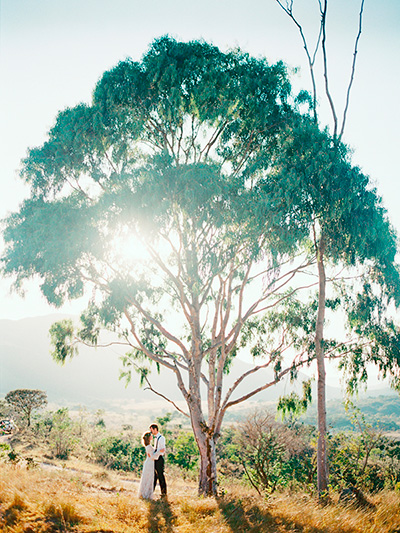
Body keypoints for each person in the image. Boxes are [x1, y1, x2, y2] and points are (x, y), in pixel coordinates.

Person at [150, 423, 167, 496]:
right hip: (155, 458)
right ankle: (151, 491)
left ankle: (164, 492)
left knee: (160, 476)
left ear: (155, 429)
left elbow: (162, 450)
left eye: (152, 430)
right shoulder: (156, 438)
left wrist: (155, 454)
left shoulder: (161, 438)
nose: (151, 432)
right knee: (154, 476)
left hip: (159, 458)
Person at [138, 431, 156, 499]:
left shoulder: (148, 446)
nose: (152, 437)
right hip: (150, 463)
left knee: (148, 477)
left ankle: (146, 493)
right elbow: (152, 456)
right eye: (151, 436)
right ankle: (146, 494)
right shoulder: (149, 446)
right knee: (149, 477)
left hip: (149, 462)